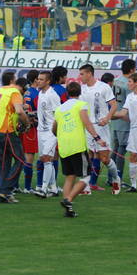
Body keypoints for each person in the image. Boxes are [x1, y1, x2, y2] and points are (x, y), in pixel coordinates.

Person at [53, 81, 107, 218]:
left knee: (69, 177)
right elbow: (86, 122)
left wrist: (62, 136)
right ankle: (68, 200)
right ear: (79, 93)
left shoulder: (60, 108)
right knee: (86, 176)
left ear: (67, 93)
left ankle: (68, 210)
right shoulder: (81, 105)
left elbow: (54, 128)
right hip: (77, 146)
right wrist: (97, 138)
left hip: (64, 146)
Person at [0, 71, 30, 203]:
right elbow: (19, 111)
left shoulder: (1, 90)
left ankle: (1, 195)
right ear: (12, 80)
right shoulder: (14, 92)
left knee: (4, 163)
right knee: (21, 159)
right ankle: (5, 189)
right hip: (5, 130)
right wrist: (26, 123)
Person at [79, 63, 120, 194]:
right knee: (88, 157)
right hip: (88, 127)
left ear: (89, 73)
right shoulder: (81, 89)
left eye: (82, 74)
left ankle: (115, 178)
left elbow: (114, 105)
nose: (80, 77)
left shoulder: (103, 87)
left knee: (104, 159)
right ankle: (86, 187)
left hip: (101, 127)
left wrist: (107, 118)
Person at [35, 70, 63, 197]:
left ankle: (44, 188)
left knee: (47, 158)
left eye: (41, 79)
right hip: (40, 131)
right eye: (38, 79)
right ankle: (53, 188)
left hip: (51, 132)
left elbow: (58, 115)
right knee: (44, 159)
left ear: (48, 81)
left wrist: (55, 133)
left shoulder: (53, 95)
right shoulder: (40, 93)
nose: (38, 81)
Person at [111, 59, 135, 184]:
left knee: (115, 148)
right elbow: (130, 103)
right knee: (122, 148)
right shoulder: (128, 84)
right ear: (131, 70)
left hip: (114, 118)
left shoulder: (116, 81)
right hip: (124, 119)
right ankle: (117, 177)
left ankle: (111, 177)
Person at [22, 70, 40, 193]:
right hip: (32, 128)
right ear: (35, 80)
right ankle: (27, 187)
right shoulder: (35, 94)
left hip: (25, 126)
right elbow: (38, 112)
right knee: (29, 157)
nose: (40, 80)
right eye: (39, 78)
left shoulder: (26, 92)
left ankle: (25, 186)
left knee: (26, 156)